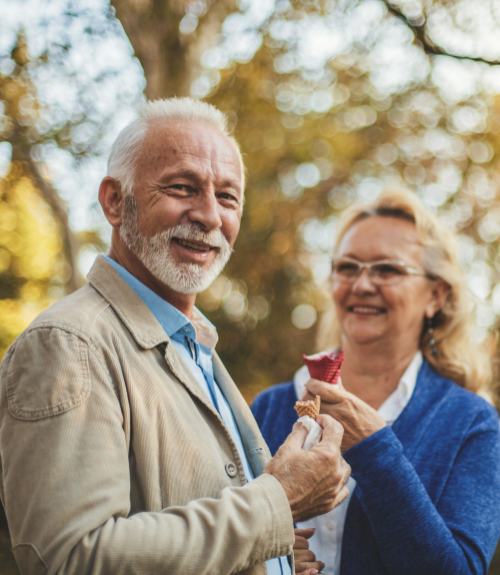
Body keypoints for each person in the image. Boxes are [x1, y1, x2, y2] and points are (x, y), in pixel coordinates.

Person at [0, 98, 351, 575]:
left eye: (227, 197)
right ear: (114, 201)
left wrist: (275, 559)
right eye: (183, 188)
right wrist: (279, 500)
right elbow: (73, 558)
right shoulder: (68, 345)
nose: (209, 215)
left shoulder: (195, 345)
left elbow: (208, 528)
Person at [251, 188, 500, 575]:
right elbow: (223, 540)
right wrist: (268, 562)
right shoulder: (267, 408)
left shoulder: (472, 424)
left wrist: (375, 448)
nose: (362, 285)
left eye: (388, 269)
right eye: (347, 267)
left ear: (435, 294)